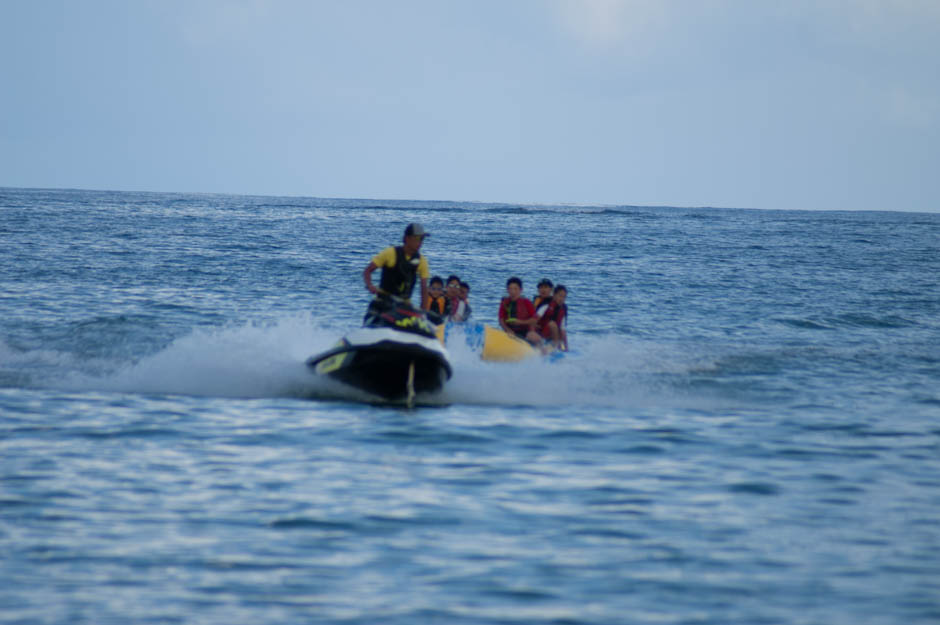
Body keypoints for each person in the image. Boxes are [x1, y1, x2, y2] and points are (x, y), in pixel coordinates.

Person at [362, 223, 431, 322]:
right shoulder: (390, 253)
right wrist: (369, 285)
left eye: (422, 239)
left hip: (404, 306)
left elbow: (424, 289)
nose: (420, 242)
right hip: (382, 302)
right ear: (407, 238)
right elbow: (368, 271)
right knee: (370, 319)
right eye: (417, 238)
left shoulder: (422, 261)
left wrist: (424, 313)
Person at [498, 276, 541, 345]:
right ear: (507, 290)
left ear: (521, 290)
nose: (513, 292)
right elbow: (501, 320)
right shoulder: (504, 303)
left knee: (533, 336)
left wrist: (520, 322)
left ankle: (542, 351)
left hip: (526, 332)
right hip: (510, 331)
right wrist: (507, 330)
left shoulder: (526, 302)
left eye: (515, 289)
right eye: (510, 289)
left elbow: (534, 320)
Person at [537, 285, 568, 350]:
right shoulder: (546, 305)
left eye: (564, 297)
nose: (562, 299)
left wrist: (566, 347)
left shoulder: (563, 309)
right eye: (560, 296)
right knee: (552, 324)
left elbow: (562, 330)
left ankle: (556, 346)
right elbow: (535, 319)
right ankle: (554, 346)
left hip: (553, 337)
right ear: (554, 295)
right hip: (542, 333)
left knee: (557, 327)